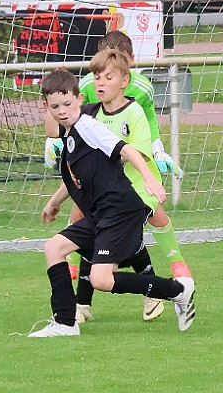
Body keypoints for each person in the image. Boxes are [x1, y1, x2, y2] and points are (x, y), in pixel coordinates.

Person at [28, 69, 195, 337]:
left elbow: (126, 149)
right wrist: (54, 202)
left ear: (80, 99)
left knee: (101, 279)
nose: (62, 111)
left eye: (68, 104)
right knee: (54, 248)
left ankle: (177, 290)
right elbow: (62, 152)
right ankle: (65, 323)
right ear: (46, 106)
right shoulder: (70, 132)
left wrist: (150, 179)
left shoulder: (88, 126)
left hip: (120, 210)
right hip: (101, 213)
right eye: (55, 106)